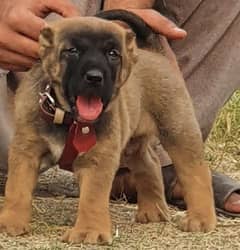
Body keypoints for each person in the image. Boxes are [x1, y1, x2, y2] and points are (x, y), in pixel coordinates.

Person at [0, 0, 239, 217]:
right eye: (73, 52)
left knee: (159, 143)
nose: (94, 71)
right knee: (27, 147)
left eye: (113, 54)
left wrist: (125, 17)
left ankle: (169, 184)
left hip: (129, 87)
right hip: (24, 59)